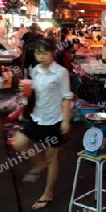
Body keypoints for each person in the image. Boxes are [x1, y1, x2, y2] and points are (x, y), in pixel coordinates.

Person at [12, 38, 73, 210]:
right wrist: (25, 91)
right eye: (38, 53)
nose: (40, 56)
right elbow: (33, 93)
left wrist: (66, 120)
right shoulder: (36, 70)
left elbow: (66, 97)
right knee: (19, 143)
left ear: (53, 52)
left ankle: (48, 193)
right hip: (37, 117)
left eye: (44, 53)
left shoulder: (61, 72)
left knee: (51, 157)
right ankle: (39, 164)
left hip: (54, 120)